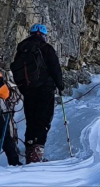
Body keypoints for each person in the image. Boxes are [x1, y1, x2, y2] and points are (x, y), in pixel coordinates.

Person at [11, 24, 64, 164]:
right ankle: (37, 154)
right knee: (43, 119)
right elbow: (55, 68)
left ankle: (30, 152)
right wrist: (60, 85)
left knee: (31, 120)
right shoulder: (46, 48)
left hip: (28, 91)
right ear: (43, 35)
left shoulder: (22, 50)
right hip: (45, 89)